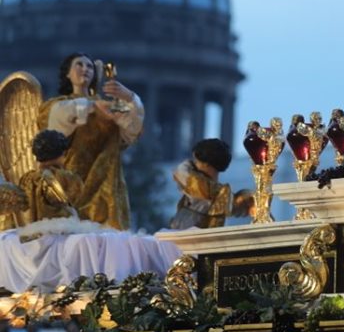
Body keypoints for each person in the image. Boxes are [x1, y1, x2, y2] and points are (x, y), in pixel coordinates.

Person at [38, 53, 144, 230]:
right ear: (67, 74)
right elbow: (55, 123)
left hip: (107, 185)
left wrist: (130, 97)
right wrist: (91, 106)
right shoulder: (56, 105)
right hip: (72, 182)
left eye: (89, 67)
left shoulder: (107, 106)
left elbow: (133, 128)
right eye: (79, 65)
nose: (85, 69)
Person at [169, 138, 244, 230]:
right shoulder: (223, 192)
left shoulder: (200, 186)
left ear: (206, 164)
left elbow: (180, 170)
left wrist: (189, 163)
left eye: (196, 161)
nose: (194, 165)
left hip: (189, 238)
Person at [17, 129, 84, 224]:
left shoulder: (26, 178)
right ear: (62, 154)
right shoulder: (67, 178)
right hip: (62, 233)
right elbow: (79, 199)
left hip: (30, 233)